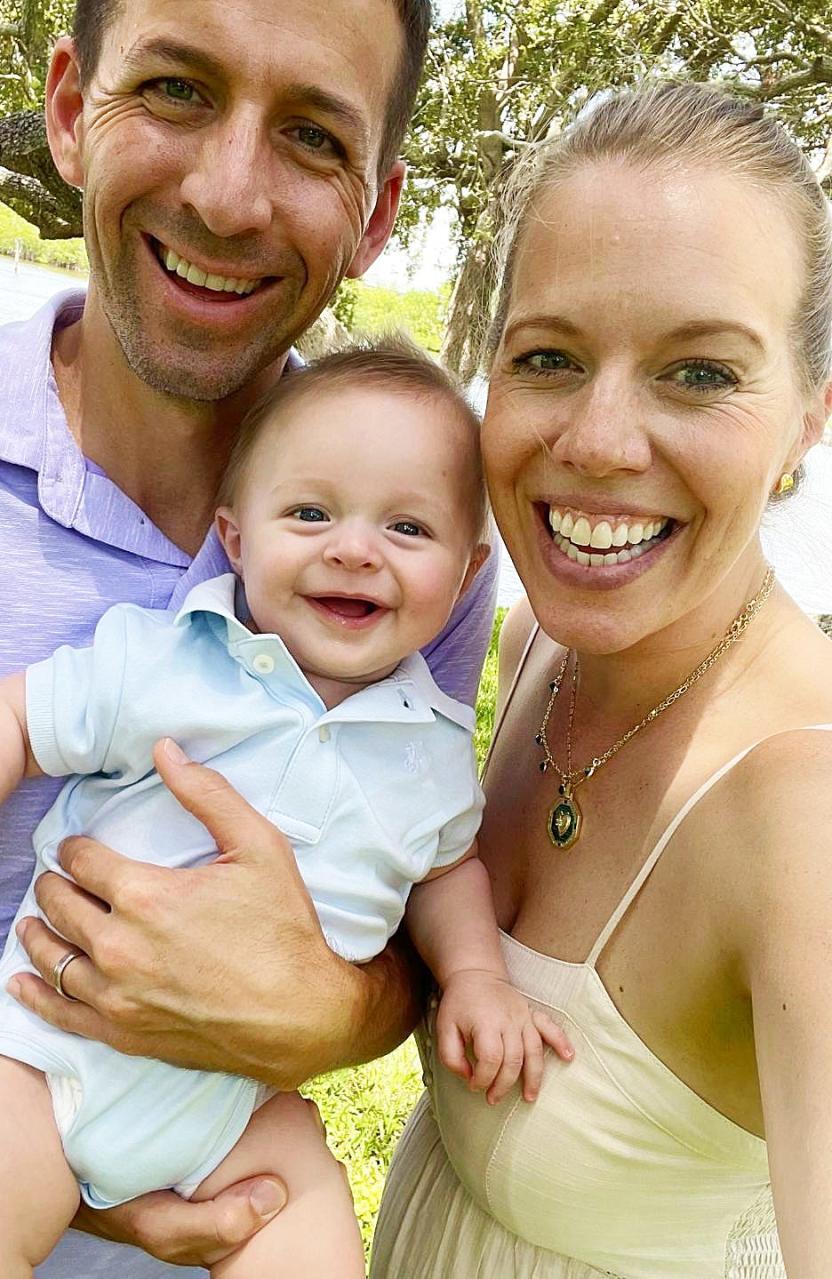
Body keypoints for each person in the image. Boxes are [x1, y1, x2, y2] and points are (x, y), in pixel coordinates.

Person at [0, 1, 498, 1274]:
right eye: (174, 90)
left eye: (313, 135)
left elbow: (403, 877)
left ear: (377, 215)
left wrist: (333, 1011)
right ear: (67, 112)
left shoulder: (412, 563)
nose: (227, 194)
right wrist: (42, 1160)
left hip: (222, 1151)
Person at [0, 347, 565, 1279]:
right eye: (310, 513)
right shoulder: (180, 660)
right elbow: (9, 721)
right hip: (47, 1059)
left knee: (305, 1220)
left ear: (468, 571)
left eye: (406, 526)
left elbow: (447, 868)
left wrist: (476, 974)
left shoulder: (431, 743)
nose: (353, 548)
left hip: (235, 1112)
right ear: (235, 541)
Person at [371, 81, 832, 1278]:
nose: (598, 440)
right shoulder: (533, 648)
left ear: (805, 424)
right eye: (549, 358)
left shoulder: (804, 812)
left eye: (700, 374)